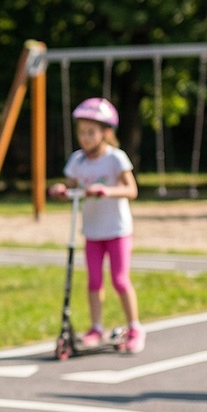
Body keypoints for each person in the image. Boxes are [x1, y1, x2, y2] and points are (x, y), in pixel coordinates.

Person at [49, 97, 143, 354]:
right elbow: (70, 186)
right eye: (82, 132)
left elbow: (131, 189)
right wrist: (60, 190)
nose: (86, 138)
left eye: (91, 132)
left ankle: (135, 327)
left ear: (106, 133)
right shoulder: (78, 161)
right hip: (92, 230)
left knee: (120, 280)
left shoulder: (116, 159)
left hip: (117, 230)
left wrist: (106, 190)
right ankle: (96, 327)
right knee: (93, 281)